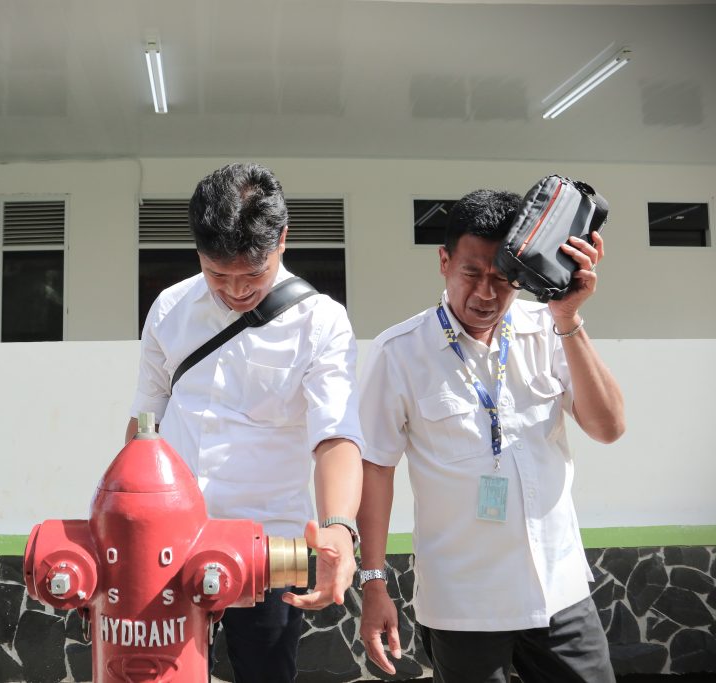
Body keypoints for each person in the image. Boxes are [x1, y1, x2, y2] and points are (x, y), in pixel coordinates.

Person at [357, 189, 625, 682]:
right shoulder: (398, 353)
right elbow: (375, 469)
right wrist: (373, 583)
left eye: (503, 279)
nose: (486, 294)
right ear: (443, 261)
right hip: (464, 604)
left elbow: (608, 427)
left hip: (558, 593)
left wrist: (568, 318)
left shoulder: (548, 328)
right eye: (472, 274)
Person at [126, 163, 364, 682]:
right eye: (218, 275)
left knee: (265, 673)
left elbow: (336, 435)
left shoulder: (321, 321)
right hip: (172, 542)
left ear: (282, 239)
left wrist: (340, 528)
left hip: (268, 548)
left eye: (251, 275)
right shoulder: (170, 307)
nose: (235, 291)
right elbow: (147, 421)